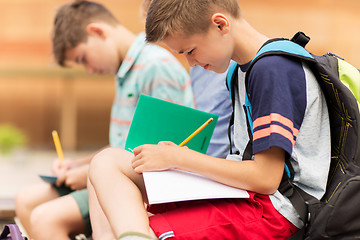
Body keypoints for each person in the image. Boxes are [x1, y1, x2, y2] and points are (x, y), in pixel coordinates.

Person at [87, 0, 331, 239]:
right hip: (241, 194)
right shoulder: (238, 70)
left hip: (274, 210)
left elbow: (266, 179)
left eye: (190, 51)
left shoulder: (273, 69)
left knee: (152, 228)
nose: (191, 63)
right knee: (107, 162)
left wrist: (179, 157)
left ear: (220, 25)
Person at [14, 1, 194, 239]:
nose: (88, 70)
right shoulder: (125, 72)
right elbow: (125, 144)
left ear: (97, 31)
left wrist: (90, 172)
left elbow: (161, 149)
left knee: (45, 219)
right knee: (26, 201)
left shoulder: (156, 67)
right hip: (115, 173)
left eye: (83, 58)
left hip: (136, 186)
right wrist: (78, 165)